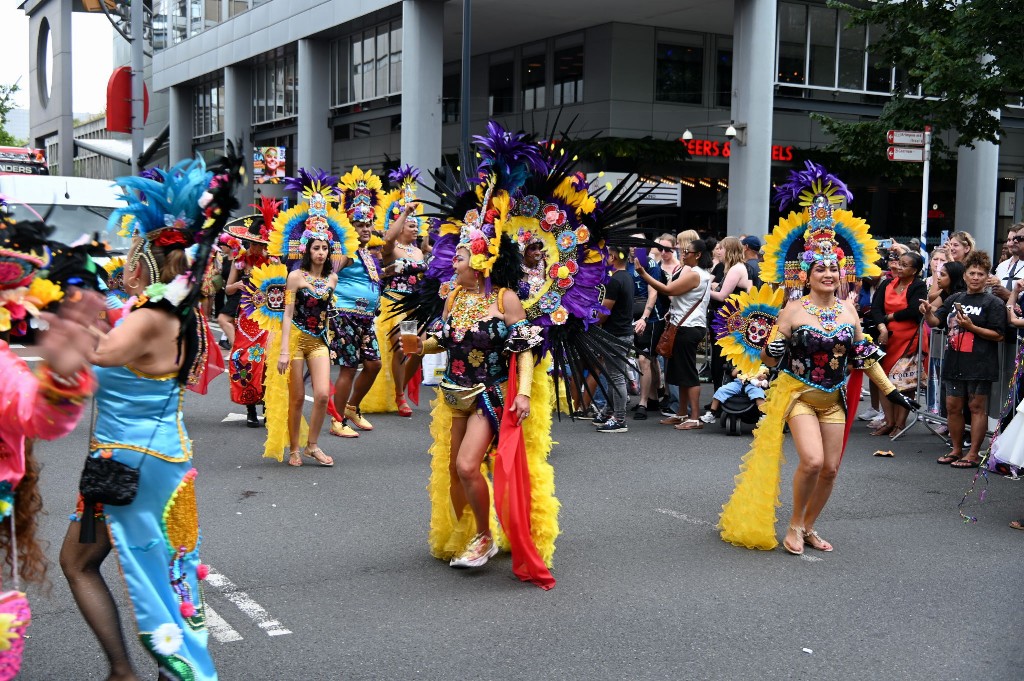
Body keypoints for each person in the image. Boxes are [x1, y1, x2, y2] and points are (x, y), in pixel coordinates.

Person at [61, 156, 242, 681]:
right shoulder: (168, 310)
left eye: (130, 251)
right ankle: (130, 670)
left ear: (145, 258)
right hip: (149, 459)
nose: (123, 261)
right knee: (145, 568)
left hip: (133, 466)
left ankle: (180, 671)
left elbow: (101, 353)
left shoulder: (153, 316)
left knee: (150, 577)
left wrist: (54, 304)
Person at [718, 162, 918, 555]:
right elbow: (770, 360)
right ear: (805, 275)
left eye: (833, 268)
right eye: (820, 268)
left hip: (835, 400)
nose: (828, 273)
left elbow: (863, 355)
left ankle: (809, 526)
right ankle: (793, 524)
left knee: (830, 468)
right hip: (799, 397)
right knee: (810, 461)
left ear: (842, 273)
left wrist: (892, 391)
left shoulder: (849, 311)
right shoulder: (791, 311)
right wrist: (771, 351)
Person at [920, 250, 1006, 469]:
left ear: (987, 277)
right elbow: (935, 322)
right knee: (953, 407)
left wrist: (972, 327)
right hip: (954, 361)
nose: (976, 277)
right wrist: (927, 312)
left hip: (980, 363)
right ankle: (956, 449)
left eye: (980, 274)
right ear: (965, 276)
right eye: (972, 273)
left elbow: (999, 334)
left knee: (977, 407)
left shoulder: (993, 303)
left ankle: (974, 453)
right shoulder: (954, 298)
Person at [362, 166, 426, 417]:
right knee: (401, 347)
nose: (415, 228)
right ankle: (400, 396)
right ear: (400, 227)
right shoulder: (391, 248)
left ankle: (400, 387)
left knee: (418, 349)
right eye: (411, 225)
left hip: (413, 305)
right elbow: (387, 239)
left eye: (416, 225)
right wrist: (405, 212)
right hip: (394, 305)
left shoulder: (419, 252)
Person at [328, 166, 385, 438]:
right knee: (349, 368)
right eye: (359, 224)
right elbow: (328, 273)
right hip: (346, 315)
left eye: (367, 224)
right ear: (350, 226)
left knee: (373, 364)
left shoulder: (365, 253)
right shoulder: (346, 252)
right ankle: (337, 421)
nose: (365, 228)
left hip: (365, 317)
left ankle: (351, 407)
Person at [635, 237, 713, 430]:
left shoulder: (696, 274)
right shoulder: (696, 273)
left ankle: (694, 417)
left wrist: (644, 274)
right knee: (681, 374)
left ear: (699, 255)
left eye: (687, 252)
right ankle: (682, 413)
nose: (683, 255)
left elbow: (668, 290)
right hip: (683, 326)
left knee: (688, 374)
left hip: (689, 328)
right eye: (683, 252)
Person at [223, 199, 277, 427]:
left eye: (261, 244)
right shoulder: (240, 261)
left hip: (267, 316)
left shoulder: (273, 261)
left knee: (266, 361)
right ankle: (250, 408)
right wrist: (238, 287)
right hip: (246, 317)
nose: (256, 248)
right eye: (253, 244)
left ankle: (266, 405)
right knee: (244, 360)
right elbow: (227, 288)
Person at [871, 251, 928, 435]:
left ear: (915, 270)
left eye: (904, 265)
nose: (899, 267)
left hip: (908, 339)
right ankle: (888, 421)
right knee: (883, 379)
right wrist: (882, 327)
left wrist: (891, 316)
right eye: (899, 263)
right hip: (887, 337)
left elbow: (913, 311)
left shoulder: (918, 286)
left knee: (904, 382)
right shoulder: (887, 283)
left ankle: (900, 424)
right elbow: (876, 308)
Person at [633, 234, 678, 419]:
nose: (634, 247)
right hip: (630, 317)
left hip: (652, 318)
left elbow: (653, 293)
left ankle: (643, 402)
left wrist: (644, 317)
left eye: (638, 244)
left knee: (645, 358)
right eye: (632, 244)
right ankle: (653, 397)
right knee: (648, 360)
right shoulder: (626, 264)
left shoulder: (651, 265)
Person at [592, 248, 635, 433]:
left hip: (615, 334)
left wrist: (592, 321)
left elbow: (605, 312)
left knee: (616, 377)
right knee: (614, 375)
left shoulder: (615, 280)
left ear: (614, 256)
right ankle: (610, 412)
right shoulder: (627, 277)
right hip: (623, 332)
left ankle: (619, 419)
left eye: (607, 254)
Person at [709, 236, 752, 389]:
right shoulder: (735, 267)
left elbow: (722, 296)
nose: (718, 251)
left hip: (727, 321)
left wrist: (704, 290)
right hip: (727, 319)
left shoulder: (736, 268)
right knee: (720, 357)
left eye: (721, 248)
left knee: (721, 358)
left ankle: (719, 397)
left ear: (729, 250)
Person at [699, 363, 768, 424]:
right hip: (739, 382)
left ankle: (763, 415)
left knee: (758, 394)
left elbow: (765, 375)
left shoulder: (761, 364)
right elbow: (733, 374)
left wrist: (761, 376)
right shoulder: (741, 362)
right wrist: (741, 365)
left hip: (754, 384)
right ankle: (712, 413)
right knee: (721, 390)